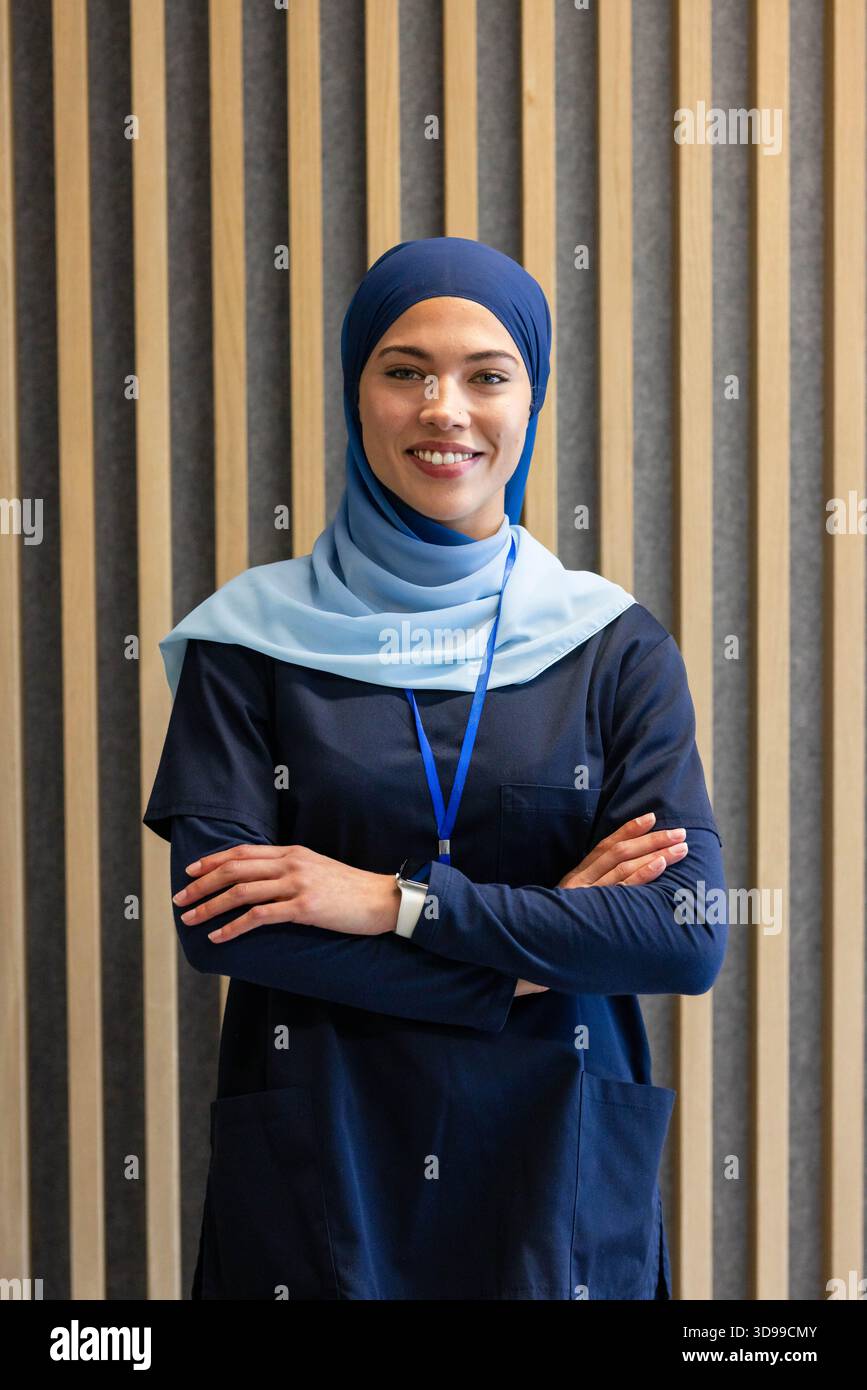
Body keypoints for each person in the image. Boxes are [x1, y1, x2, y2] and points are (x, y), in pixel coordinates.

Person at [142, 236, 728, 1301]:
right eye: (404, 370)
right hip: (329, 1154)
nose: (444, 409)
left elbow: (685, 934)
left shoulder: (611, 644)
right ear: (357, 393)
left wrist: (386, 903)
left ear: (530, 400)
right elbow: (218, 918)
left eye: (486, 375)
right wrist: (533, 954)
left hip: (553, 1158)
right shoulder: (254, 641)